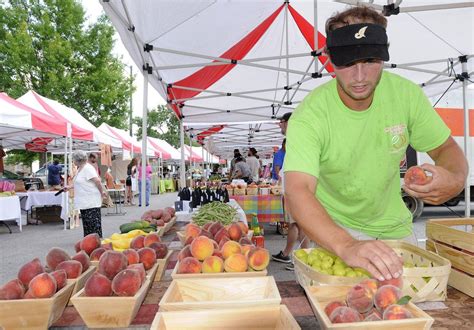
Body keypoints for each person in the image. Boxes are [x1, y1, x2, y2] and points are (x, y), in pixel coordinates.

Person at [284, 6, 468, 281]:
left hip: (394, 230)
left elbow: (446, 149)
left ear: (385, 56)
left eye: (370, 60)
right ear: (329, 59)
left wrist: (454, 178)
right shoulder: (310, 115)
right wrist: (346, 245)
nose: (359, 76)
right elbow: (298, 190)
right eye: (347, 63)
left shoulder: (406, 95)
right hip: (333, 233)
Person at [272, 112, 310, 268]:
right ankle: (297, 258)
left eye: (281, 122)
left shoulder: (298, 139)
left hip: (298, 189)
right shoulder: (295, 139)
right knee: (297, 224)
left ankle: (305, 261)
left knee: (302, 225)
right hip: (294, 189)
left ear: (289, 122)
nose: (280, 125)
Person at [65, 150, 108, 237]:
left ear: (78, 160)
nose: (73, 161)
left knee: (93, 225)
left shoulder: (87, 168)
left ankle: (96, 243)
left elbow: (97, 181)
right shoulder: (80, 169)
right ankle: (89, 242)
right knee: (87, 225)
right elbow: (81, 182)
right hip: (85, 202)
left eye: (73, 159)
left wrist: (102, 192)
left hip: (91, 201)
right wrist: (69, 187)